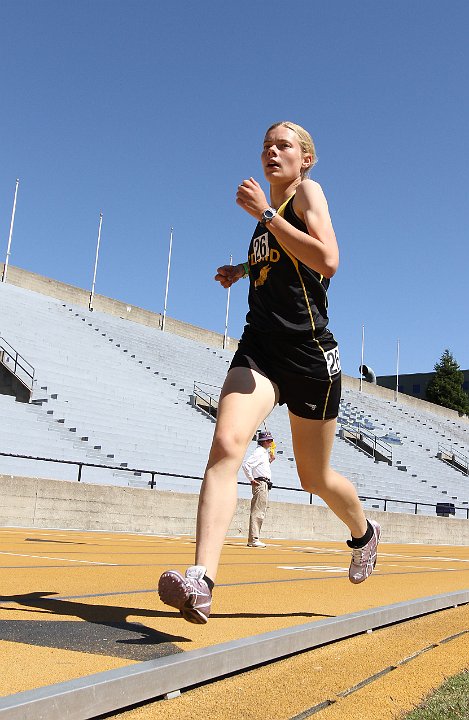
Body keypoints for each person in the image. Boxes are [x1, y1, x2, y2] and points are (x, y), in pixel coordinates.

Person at [158, 121, 381, 625]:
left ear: (305, 158)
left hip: (309, 355)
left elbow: (327, 259)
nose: (271, 152)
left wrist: (264, 213)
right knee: (226, 445)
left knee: (313, 476)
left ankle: (365, 534)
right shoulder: (267, 219)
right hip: (260, 349)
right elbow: (283, 260)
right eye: (265, 146)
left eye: (283, 146)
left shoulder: (305, 194)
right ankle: (202, 580)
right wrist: (241, 269)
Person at [242, 430, 276, 548]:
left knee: (260, 510)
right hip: (260, 483)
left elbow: (262, 467)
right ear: (264, 441)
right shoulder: (259, 452)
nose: (271, 442)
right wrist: (251, 479)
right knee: (258, 511)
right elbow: (246, 465)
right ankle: (254, 539)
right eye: (269, 440)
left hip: (263, 483)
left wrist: (270, 459)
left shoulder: (263, 453)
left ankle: (255, 538)